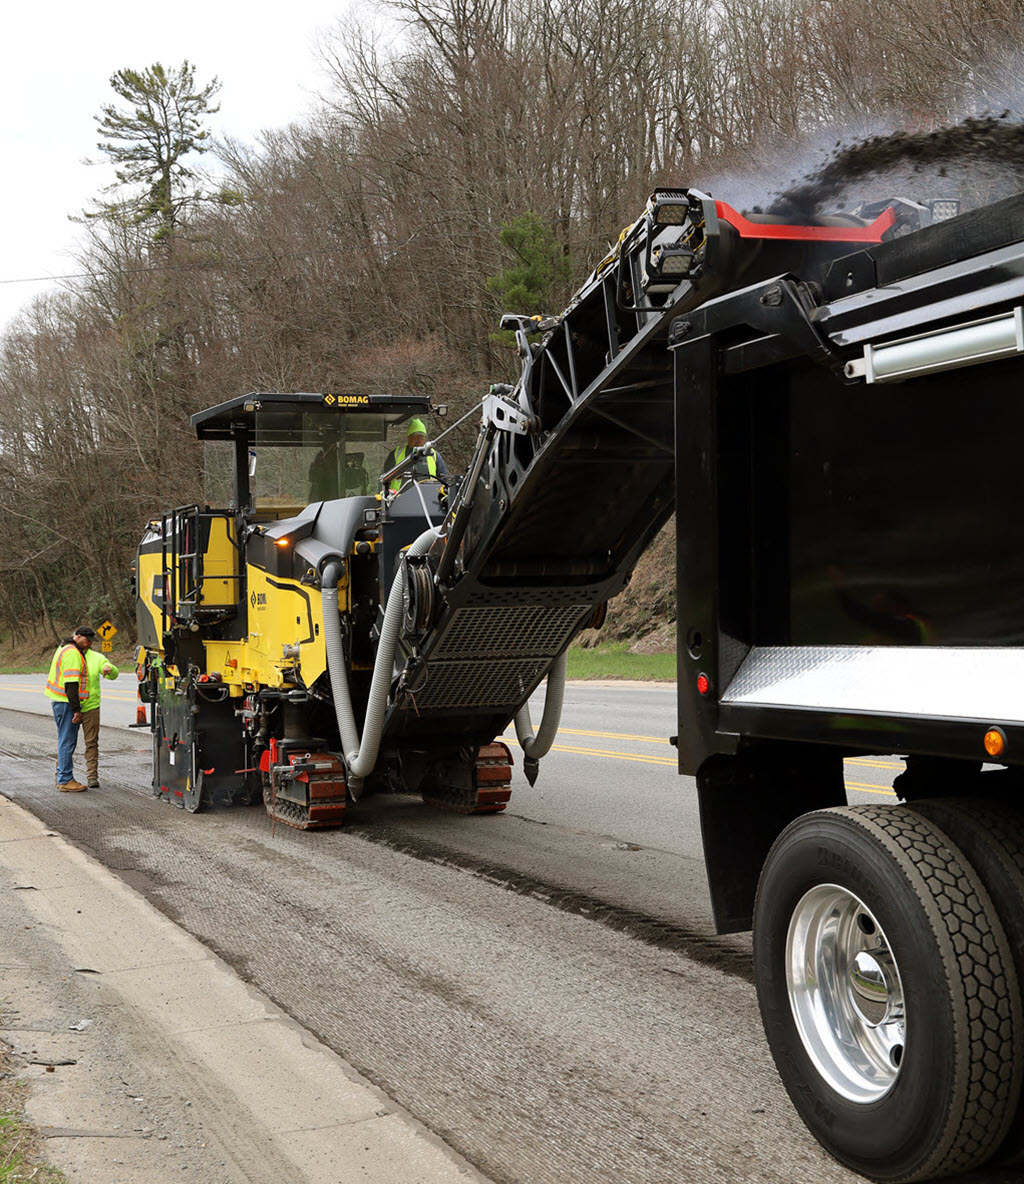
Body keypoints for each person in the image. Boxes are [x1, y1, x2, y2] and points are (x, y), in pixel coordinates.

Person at [44, 627, 95, 792]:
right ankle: (65, 779)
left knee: (63, 740)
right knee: (67, 741)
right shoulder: (72, 652)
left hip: (60, 702)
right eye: (87, 640)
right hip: (66, 703)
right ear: (78, 637)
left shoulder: (64, 647)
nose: (89, 644)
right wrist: (76, 710)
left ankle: (61, 776)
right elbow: (71, 685)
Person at [81, 645, 120, 789]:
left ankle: (92, 776)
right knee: (66, 742)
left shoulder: (95, 657)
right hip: (69, 707)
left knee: (91, 742)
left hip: (90, 706)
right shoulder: (68, 654)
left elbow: (113, 673)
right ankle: (63, 776)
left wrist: (108, 668)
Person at [383, 418, 447, 494]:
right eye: (415, 436)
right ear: (408, 437)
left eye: (421, 436)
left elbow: (444, 479)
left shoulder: (434, 455)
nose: (418, 439)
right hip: (399, 500)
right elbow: (384, 479)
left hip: (428, 501)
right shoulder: (396, 454)